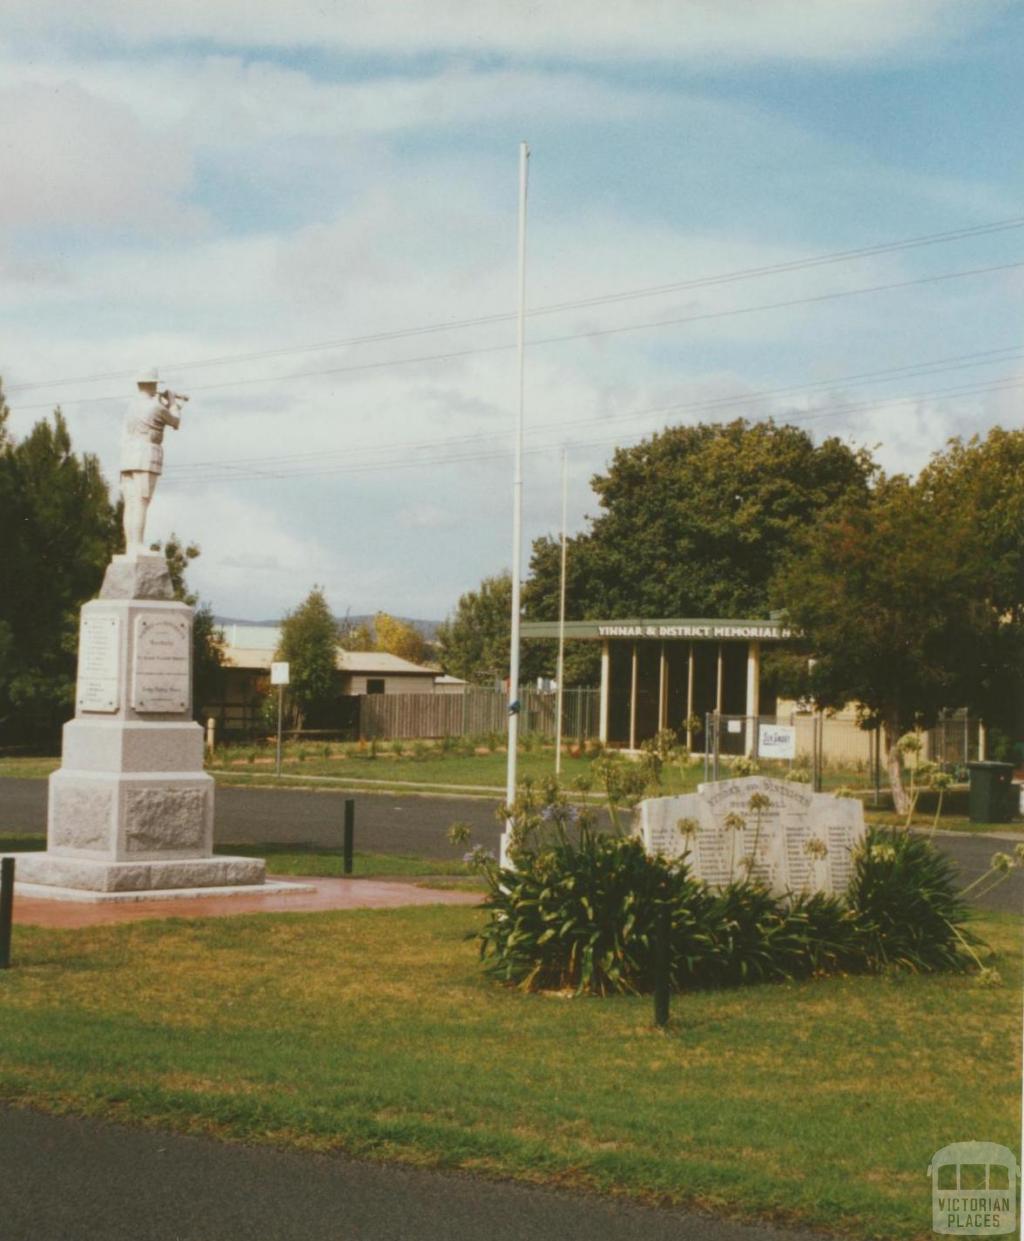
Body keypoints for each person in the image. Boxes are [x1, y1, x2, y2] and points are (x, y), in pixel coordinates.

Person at [119, 368, 187, 553]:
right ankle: (137, 545)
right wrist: (173, 402)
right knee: (141, 501)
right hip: (145, 454)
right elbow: (175, 421)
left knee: (131, 503)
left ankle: (131, 545)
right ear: (151, 384)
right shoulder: (155, 407)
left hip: (128, 455)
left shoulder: (132, 406)